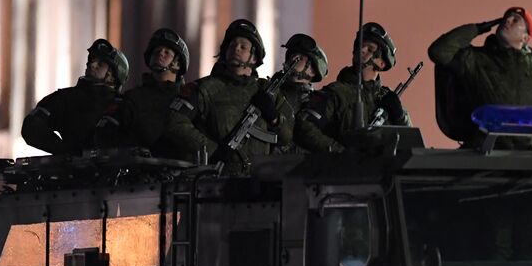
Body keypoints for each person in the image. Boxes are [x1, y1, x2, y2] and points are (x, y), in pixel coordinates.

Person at [428, 7, 532, 150]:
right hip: (486, 151)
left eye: (515, 20)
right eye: (505, 18)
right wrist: (478, 28)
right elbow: (438, 51)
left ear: (525, 38)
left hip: (530, 153)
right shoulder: (475, 59)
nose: (507, 20)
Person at [163, 18, 277, 173]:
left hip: (260, 178)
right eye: (232, 45)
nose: (236, 48)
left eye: (243, 46)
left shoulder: (266, 90)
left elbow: (286, 138)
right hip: (217, 177)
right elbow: (175, 123)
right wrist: (212, 150)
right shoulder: (203, 88)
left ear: (255, 57)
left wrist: (275, 118)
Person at [295, 23, 410, 153]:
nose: (362, 50)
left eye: (370, 49)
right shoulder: (336, 92)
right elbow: (304, 126)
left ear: (382, 63)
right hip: (343, 170)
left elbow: (410, 142)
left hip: (379, 171)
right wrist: (340, 153)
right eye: (360, 46)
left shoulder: (388, 99)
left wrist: (400, 117)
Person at [22, 38, 129, 155]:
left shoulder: (126, 106)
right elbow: (32, 127)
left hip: (117, 170)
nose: (92, 65)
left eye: (101, 64)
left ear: (113, 75)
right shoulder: (66, 99)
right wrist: (67, 152)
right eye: (92, 60)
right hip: (73, 171)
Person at [94, 28, 189, 156]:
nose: (160, 54)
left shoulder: (188, 99)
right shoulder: (132, 98)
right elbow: (105, 134)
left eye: (167, 52)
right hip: (139, 169)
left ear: (178, 63)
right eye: (156, 52)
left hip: (180, 170)